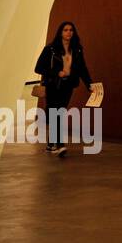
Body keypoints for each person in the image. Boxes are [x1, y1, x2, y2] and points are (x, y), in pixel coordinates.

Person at [33, 20, 93, 157]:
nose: (68, 32)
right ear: (60, 32)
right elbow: (38, 68)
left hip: (68, 85)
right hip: (54, 84)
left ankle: (50, 144)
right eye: (65, 30)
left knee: (59, 112)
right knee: (57, 113)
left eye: (71, 30)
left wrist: (90, 85)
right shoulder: (51, 49)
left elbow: (82, 69)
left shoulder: (77, 49)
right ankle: (59, 144)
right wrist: (56, 72)